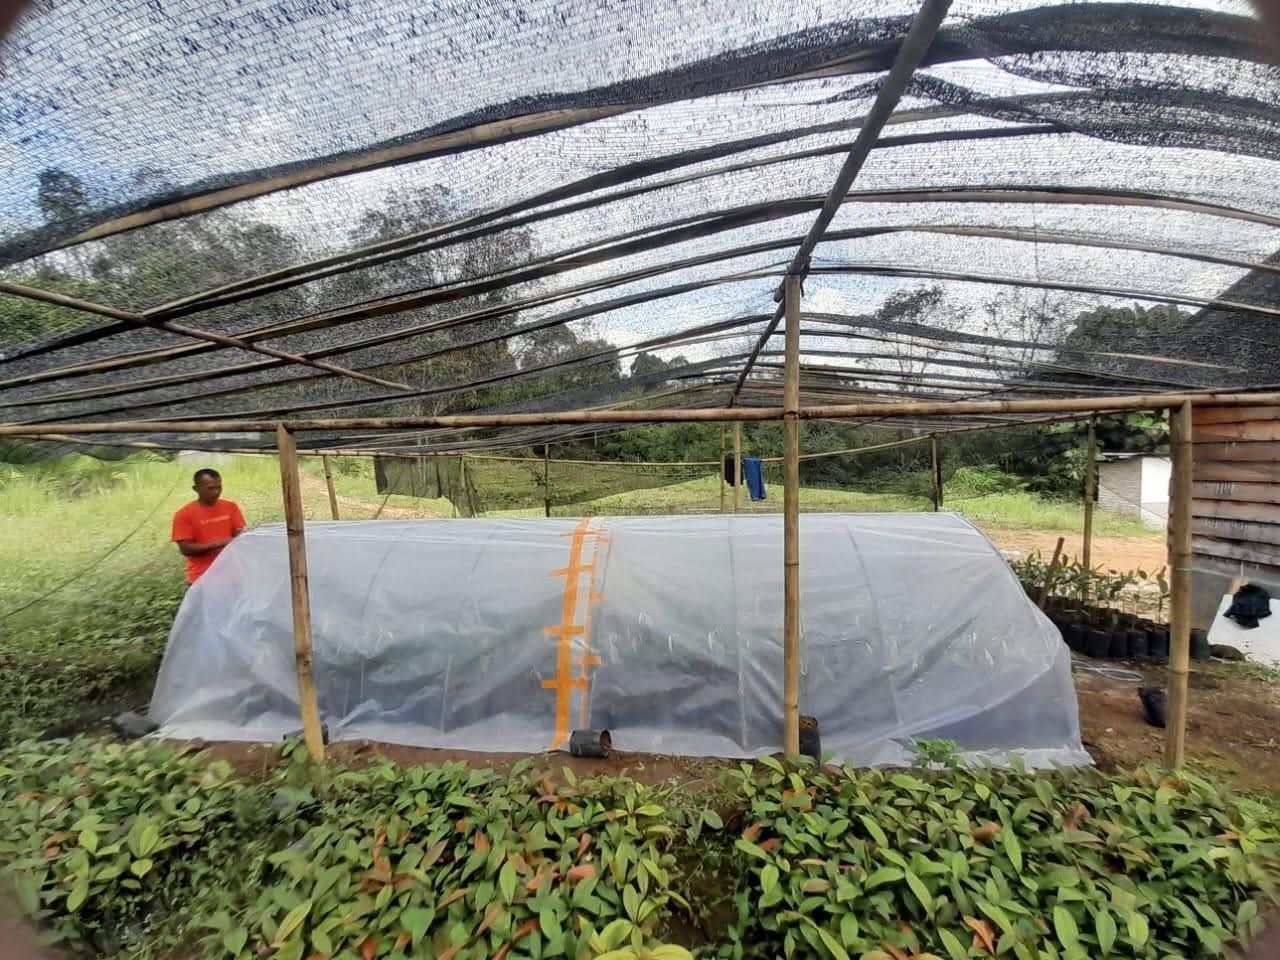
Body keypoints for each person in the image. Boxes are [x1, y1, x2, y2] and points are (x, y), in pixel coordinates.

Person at [171, 468, 246, 585]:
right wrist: (221, 543)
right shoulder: (184, 514)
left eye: (219, 487)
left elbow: (240, 535)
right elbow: (185, 549)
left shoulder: (231, 507)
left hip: (231, 574)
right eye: (210, 488)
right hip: (202, 577)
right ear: (196, 489)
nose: (216, 491)